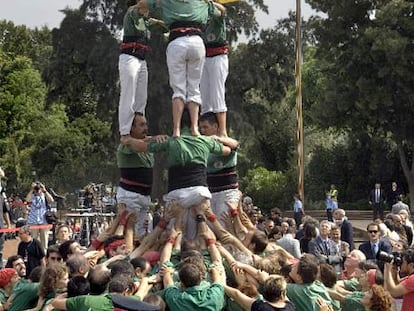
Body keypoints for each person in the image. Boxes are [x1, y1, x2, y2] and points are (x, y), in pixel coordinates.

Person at [122, 108, 231, 240]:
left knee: (173, 237)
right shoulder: (205, 141)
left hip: (177, 197)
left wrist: (127, 139)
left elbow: (140, 147)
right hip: (200, 194)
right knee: (201, 238)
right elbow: (227, 150)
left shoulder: (171, 141)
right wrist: (218, 138)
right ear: (195, 122)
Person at [142, 0, 220, 137]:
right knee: (194, 88)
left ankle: (176, 129)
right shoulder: (202, 2)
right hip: (196, 42)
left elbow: (143, 4)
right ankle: (195, 128)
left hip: (177, 42)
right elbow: (220, 13)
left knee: (178, 89)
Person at [118, 0, 160, 138]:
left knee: (141, 97)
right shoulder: (132, 12)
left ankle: (139, 127)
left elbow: (161, 26)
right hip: (130, 57)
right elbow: (143, 6)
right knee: (128, 95)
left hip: (141, 60)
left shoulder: (145, 20)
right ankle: (125, 132)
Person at [116, 113, 156, 240]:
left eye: (146, 124)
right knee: (128, 235)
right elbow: (134, 145)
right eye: (141, 125)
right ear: (131, 128)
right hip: (130, 195)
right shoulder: (126, 145)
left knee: (140, 236)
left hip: (144, 196)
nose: (146, 128)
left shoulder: (146, 145)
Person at [199, 112, 240, 227]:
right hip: (210, 193)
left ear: (215, 127)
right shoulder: (203, 146)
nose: (202, 130)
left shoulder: (224, 143)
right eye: (201, 127)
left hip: (227, 192)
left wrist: (217, 139)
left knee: (224, 226)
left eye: (205, 127)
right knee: (211, 229)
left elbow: (235, 144)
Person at [200, 0, 228, 137]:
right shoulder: (202, 18)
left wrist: (209, 3)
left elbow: (223, 10)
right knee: (204, 95)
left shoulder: (217, 15)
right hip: (204, 57)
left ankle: (222, 131)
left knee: (217, 93)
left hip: (218, 56)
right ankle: (206, 129)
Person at [224, 275, 295, 311]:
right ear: (282, 294)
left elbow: (237, 295)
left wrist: (221, 284)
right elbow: (281, 292)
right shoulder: (290, 307)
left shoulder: (260, 307)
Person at [25, 181, 54, 251]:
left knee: (44, 241)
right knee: (32, 240)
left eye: (39, 187)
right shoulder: (32, 196)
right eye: (37, 188)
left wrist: (45, 190)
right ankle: (33, 257)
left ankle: (44, 257)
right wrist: (32, 190)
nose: (38, 189)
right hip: (33, 221)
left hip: (44, 221)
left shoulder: (44, 195)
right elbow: (27, 200)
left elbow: (51, 200)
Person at [0, 167, 11, 269]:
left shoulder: (1, 197)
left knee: (0, 250)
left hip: (0, 227)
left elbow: (5, 211)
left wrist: (8, 225)